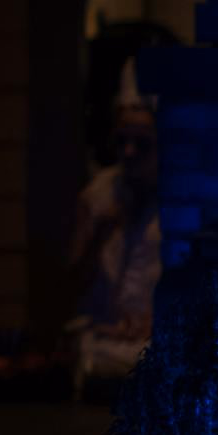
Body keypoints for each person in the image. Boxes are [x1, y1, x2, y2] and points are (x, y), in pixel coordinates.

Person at [66, 82, 161, 394]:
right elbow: (71, 285)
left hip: (152, 344)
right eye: (121, 142)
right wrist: (98, 235)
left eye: (141, 144)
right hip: (101, 343)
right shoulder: (98, 195)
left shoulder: (178, 203)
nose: (129, 153)